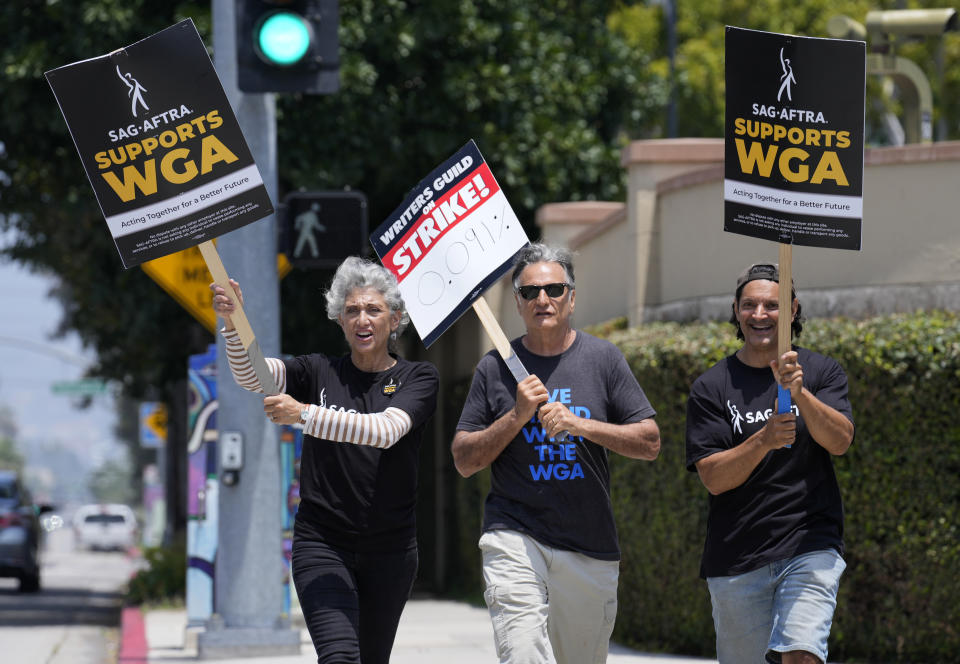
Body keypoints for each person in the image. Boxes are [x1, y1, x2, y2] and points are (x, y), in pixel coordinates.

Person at [211, 256, 439, 664]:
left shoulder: (417, 379)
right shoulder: (317, 371)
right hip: (323, 542)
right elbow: (253, 376)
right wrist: (233, 324)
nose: (362, 319)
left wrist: (303, 415)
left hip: (390, 549)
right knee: (339, 657)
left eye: (373, 309)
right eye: (351, 311)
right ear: (339, 319)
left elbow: (384, 432)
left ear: (395, 318)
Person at [452, 243, 661, 664]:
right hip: (515, 534)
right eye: (530, 292)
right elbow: (464, 459)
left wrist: (579, 425)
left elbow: (649, 442)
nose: (542, 300)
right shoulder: (495, 366)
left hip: (588, 543)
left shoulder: (603, 359)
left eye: (553, 289)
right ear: (517, 302)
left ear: (572, 297)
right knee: (524, 653)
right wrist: (517, 414)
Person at [685, 263, 855, 664]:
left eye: (771, 305)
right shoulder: (711, 386)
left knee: (802, 652)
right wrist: (763, 440)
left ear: (792, 309)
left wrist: (801, 395)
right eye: (749, 305)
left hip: (810, 544)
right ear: (736, 310)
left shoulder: (821, 371)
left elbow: (840, 441)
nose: (759, 315)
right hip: (737, 557)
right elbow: (713, 478)